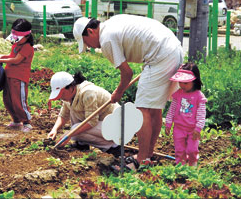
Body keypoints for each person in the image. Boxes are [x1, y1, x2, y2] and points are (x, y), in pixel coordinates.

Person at [73, 14, 184, 169]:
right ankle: (148, 155)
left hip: (160, 56)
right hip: (172, 49)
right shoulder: (112, 22)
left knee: (142, 109)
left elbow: (127, 73)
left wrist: (118, 93)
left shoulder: (106, 39)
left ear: (91, 31)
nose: (91, 47)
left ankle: (141, 158)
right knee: (153, 109)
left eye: (86, 43)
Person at [47, 71, 121, 156]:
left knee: (75, 132)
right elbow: (64, 115)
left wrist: (69, 134)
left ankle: (113, 146)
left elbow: (92, 121)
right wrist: (54, 129)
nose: (61, 97)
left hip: (117, 126)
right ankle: (82, 143)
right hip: (102, 124)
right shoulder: (69, 97)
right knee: (74, 121)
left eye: (62, 93)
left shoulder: (88, 93)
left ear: (71, 87)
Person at [0, 18, 34, 133]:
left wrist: (3, 60)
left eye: (18, 38)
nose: (15, 40)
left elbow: (16, 60)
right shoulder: (16, 45)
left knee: (18, 101)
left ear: (26, 37)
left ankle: (26, 122)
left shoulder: (27, 47)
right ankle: (16, 120)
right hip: (9, 76)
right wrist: (2, 56)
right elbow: (12, 56)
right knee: (8, 100)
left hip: (19, 78)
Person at [165, 63, 207, 166]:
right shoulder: (178, 94)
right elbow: (172, 109)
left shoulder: (199, 96)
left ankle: (193, 164)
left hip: (192, 129)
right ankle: (181, 166)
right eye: (180, 82)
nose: (182, 85)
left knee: (192, 150)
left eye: (186, 83)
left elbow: (201, 114)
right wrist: (168, 123)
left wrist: (198, 128)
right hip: (178, 128)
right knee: (179, 150)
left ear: (195, 81)